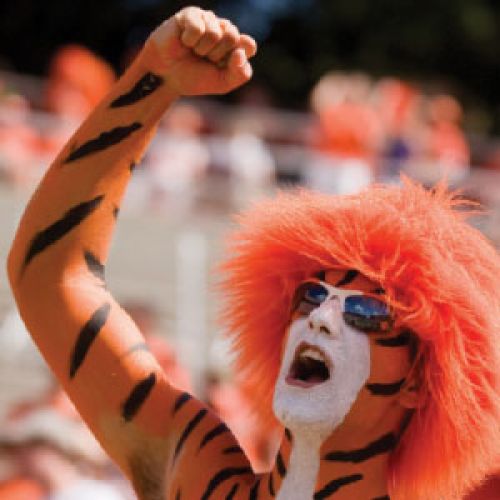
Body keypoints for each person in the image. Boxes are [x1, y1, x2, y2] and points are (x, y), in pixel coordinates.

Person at [6, 7, 500, 500]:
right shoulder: (199, 478)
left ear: (416, 381)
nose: (321, 319)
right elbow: (51, 278)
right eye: (310, 296)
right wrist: (152, 82)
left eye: (365, 313)